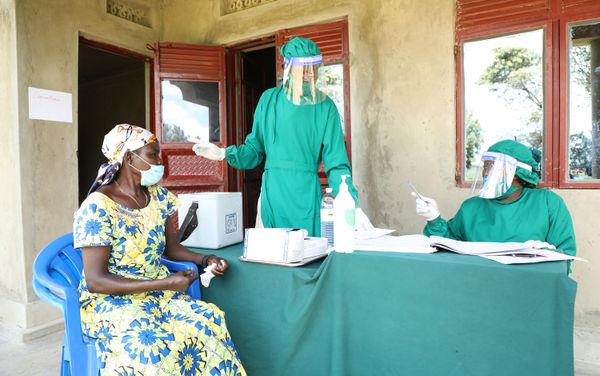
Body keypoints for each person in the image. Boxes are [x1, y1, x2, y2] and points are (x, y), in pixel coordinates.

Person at [74, 124, 245, 375]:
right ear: (129, 158)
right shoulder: (98, 207)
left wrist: (206, 258)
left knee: (207, 321)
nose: (160, 161)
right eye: (153, 154)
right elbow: (96, 281)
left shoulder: (157, 197)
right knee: (150, 345)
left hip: (155, 291)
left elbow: (172, 248)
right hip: (111, 301)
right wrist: (164, 284)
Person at [191, 36, 372, 237]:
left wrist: (349, 204)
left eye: (313, 68)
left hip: (306, 195)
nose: (309, 75)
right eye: (303, 69)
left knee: (308, 251)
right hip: (273, 194)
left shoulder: (326, 107)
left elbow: (337, 163)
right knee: (271, 254)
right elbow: (254, 150)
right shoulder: (269, 100)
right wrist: (224, 153)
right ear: (288, 67)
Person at [414, 139, 576, 268]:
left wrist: (545, 254)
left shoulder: (547, 202)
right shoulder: (472, 207)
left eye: (491, 168)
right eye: (484, 167)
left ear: (517, 174)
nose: (485, 173)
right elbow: (448, 246)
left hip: (528, 287)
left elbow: (565, 255)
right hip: (477, 285)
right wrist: (434, 219)